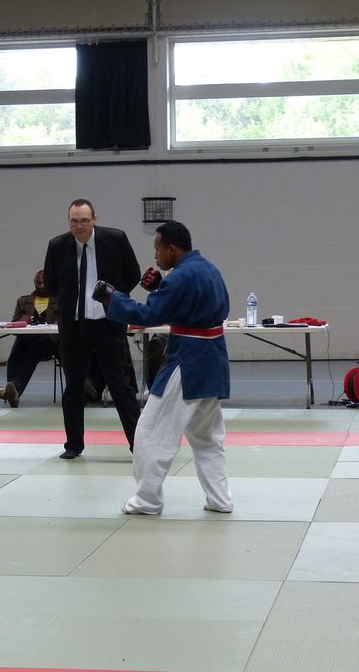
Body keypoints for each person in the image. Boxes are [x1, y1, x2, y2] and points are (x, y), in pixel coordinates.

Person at [92, 220, 232, 515]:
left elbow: (150, 314)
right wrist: (162, 286)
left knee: (150, 432)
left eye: (158, 249)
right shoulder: (208, 268)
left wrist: (112, 297)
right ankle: (220, 500)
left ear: (172, 248)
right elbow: (201, 306)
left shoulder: (180, 278)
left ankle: (147, 500)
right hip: (213, 360)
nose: (155, 256)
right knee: (207, 437)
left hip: (188, 365)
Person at [43, 198, 141, 459]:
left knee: (121, 386)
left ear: (94, 219)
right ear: (69, 222)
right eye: (74, 221)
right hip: (74, 326)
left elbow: (133, 273)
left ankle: (140, 444)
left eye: (84, 221)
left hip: (108, 324)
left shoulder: (115, 239)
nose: (79, 226)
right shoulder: (57, 246)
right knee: (74, 388)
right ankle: (73, 445)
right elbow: (50, 284)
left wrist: (114, 299)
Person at [0, 269, 59, 407]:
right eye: (38, 282)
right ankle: (13, 391)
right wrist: (23, 320)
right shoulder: (23, 301)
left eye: (45, 283)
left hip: (51, 343)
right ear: (34, 282)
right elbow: (14, 325)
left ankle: (12, 390)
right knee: (16, 350)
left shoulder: (60, 301)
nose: (41, 286)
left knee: (38, 347)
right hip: (27, 340)